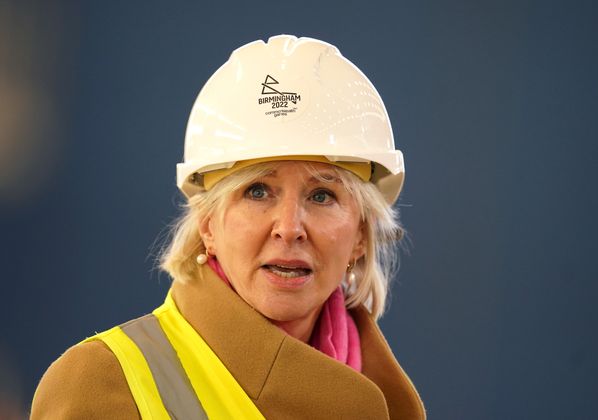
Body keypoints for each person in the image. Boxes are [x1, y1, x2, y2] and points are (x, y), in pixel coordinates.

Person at [31, 34, 426, 419]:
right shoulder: (100, 384)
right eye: (257, 192)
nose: (289, 228)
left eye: (322, 196)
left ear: (360, 234)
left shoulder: (389, 403)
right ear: (208, 225)